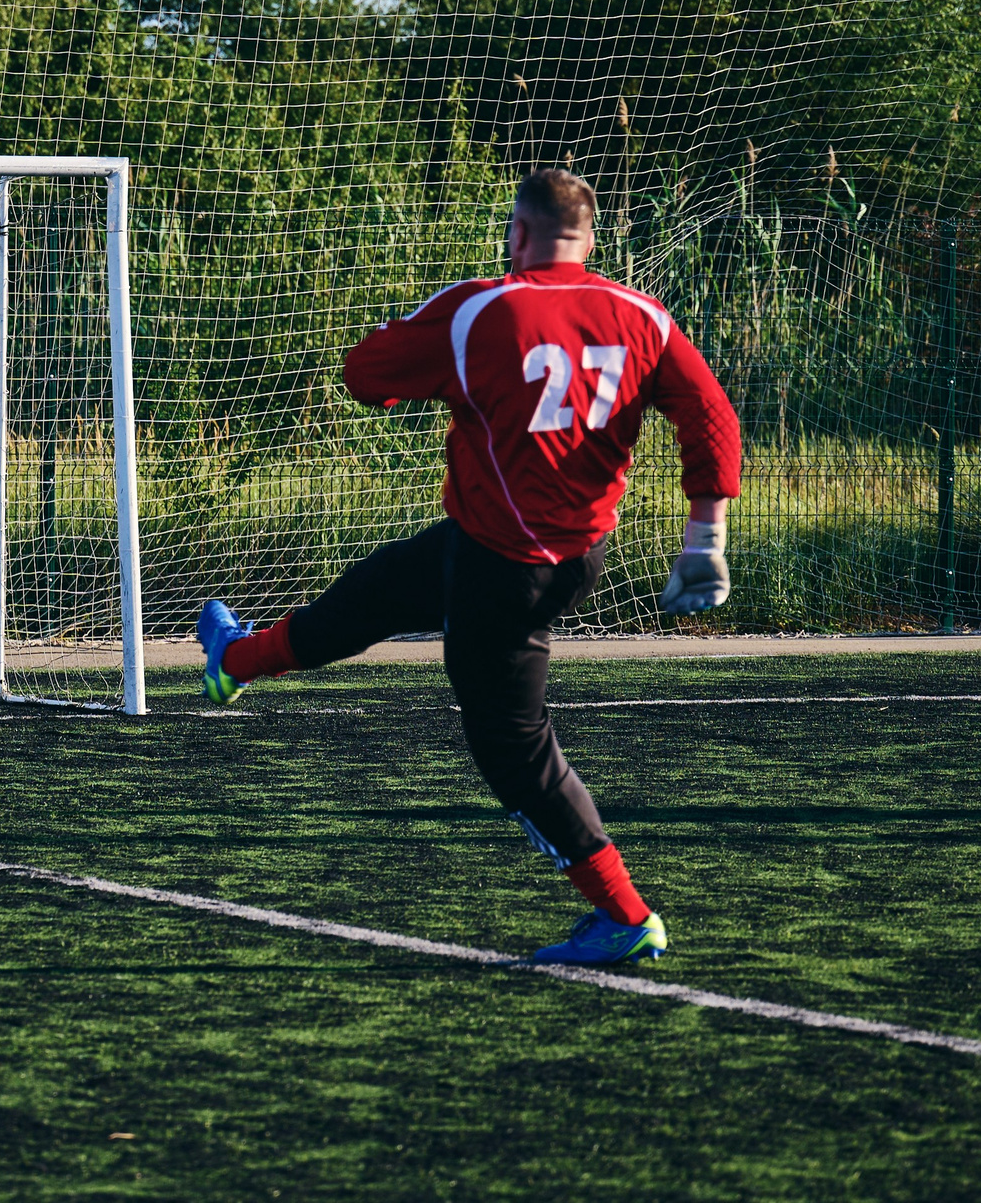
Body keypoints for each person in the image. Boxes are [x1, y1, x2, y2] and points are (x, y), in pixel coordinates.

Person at [197, 168, 741, 965]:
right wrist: (704, 541)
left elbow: (363, 375)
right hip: (564, 555)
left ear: (518, 235)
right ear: (589, 242)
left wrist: (430, 346)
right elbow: (711, 416)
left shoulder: (481, 308)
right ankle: (234, 662)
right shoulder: (641, 314)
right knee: (377, 593)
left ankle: (624, 915)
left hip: (505, 569)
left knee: (515, 751)